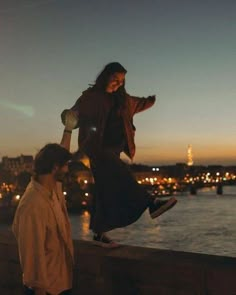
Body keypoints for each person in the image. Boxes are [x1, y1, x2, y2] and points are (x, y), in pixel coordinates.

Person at [61, 62, 177, 248]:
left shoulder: (123, 100)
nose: (118, 84)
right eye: (115, 79)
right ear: (105, 76)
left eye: (122, 81)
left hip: (113, 150)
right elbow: (75, 112)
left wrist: (152, 100)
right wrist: (69, 117)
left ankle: (99, 234)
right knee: (122, 174)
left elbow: (139, 103)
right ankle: (151, 203)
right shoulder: (90, 97)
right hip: (96, 147)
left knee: (103, 190)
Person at [12, 111, 78, 295]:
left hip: (61, 283)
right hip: (46, 289)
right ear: (55, 167)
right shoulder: (32, 205)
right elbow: (32, 255)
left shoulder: (52, 188)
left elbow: (62, 150)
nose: (67, 170)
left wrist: (68, 129)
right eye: (65, 165)